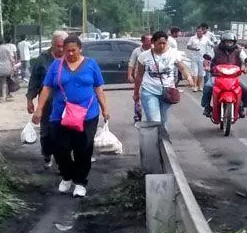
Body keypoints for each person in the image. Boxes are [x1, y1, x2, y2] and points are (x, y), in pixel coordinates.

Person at [31, 35, 110, 198]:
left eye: (74, 50)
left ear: (80, 49)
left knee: (84, 148)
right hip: (60, 113)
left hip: (87, 114)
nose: (70, 54)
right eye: (67, 51)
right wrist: (39, 109)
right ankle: (67, 176)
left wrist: (104, 109)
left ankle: (80, 182)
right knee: (60, 147)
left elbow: (98, 88)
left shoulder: (91, 64)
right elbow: (46, 88)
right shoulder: (56, 65)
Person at [134, 31, 195, 130]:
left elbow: (182, 68)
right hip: (149, 91)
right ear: (153, 43)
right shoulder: (144, 56)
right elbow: (139, 75)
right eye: (159, 43)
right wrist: (136, 92)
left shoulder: (173, 54)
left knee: (164, 121)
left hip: (167, 92)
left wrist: (189, 78)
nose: (162, 46)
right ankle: (155, 143)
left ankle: (163, 142)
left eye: (164, 43)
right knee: (155, 120)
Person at [27, 31, 67, 169]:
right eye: (58, 46)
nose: (61, 49)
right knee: (47, 132)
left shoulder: (71, 57)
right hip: (47, 104)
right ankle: (47, 154)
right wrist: (30, 100)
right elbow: (34, 80)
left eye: (63, 46)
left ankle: (62, 160)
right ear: (52, 44)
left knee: (64, 132)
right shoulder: (43, 59)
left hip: (66, 104)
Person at [202, 31, 247, 117]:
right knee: (208, 86)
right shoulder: (215, 49)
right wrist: (207, 66)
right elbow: (207, 58)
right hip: (217, 76)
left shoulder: (239, 50)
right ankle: (207, 107)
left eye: (230, 42)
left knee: (245, 89)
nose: (229, 44)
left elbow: (245, 59)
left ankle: (242, 107)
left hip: (234, 77)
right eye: (227, 42)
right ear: (223, 42)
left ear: (234, 42)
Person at [128, 33, 153, 122]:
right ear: (142, 41)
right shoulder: (136, 51)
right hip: (139, 77)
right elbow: (131, 63)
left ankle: (149, 115)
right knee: (137, 95)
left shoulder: (154, 50)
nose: (150, 42)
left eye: (151, 40)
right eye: (148, 40)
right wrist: (129, 75)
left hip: (150, 78)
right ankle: (137, 115)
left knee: (149, 97)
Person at [187, 23, 212, 93]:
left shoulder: (206, 39)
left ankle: (199, 85)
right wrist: (193, 48)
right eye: (197, 31)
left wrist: (210, 53)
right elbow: (188, 46)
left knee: (201, 73)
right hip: (194, 57)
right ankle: (195, 86)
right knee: (195, 72)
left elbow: (212, 44)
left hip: (203, 58)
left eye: (200, 31)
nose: (199, 32)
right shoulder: (192, 38)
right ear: (196, 32)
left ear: (202, 32)